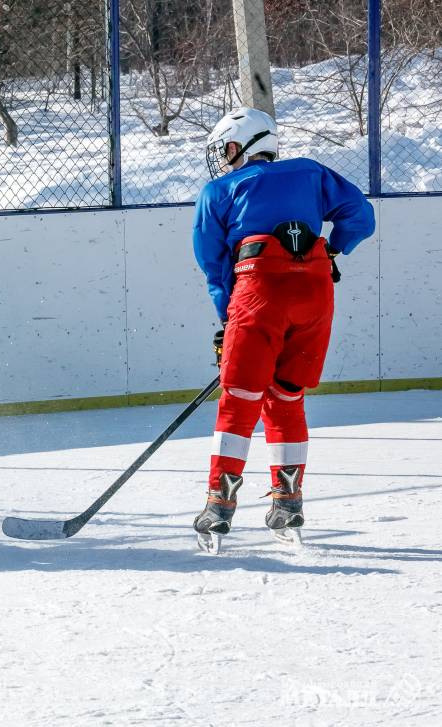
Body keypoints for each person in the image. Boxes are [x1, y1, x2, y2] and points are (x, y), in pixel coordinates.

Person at [191, 107, 375, 552]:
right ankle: (288, 502)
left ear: (247, 145)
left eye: (229, 147)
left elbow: (216, 268)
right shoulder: (311, 172)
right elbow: (361, 216)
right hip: (314, 295)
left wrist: (227, 320)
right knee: (287, 395)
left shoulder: (219, 190)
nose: (226, 157)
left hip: (259, 292)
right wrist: (331, 249)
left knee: (240, 398)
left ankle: (220, 505)